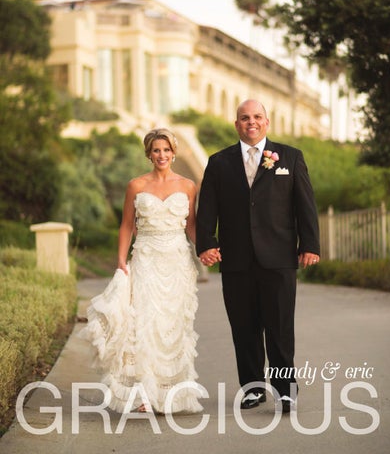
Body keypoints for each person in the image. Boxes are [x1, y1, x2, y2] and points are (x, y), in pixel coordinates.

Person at [196, 99, 320, 413]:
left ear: (266, 122)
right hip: (236, 259)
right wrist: (206, 243)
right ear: (236, 124)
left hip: (279, 257)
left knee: (280, 327)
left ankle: (285, 391)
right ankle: (252, 389)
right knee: (244, 327)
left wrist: (310, 244)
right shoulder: (218, 162)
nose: (251, 122)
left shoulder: (290, 157)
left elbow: (304, 204)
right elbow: (207, 207)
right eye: (244, 117)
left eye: (256, 116)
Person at [81, 128, 202, 414]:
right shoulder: (136, 185)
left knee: (173, 325)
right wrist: (121, 261)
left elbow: (191, 226)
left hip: (177, 262)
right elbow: (126, 225)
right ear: (149, 154)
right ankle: (145, 395)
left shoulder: (188, 186)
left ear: (173, 153)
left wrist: (207, 250)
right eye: (156, 150)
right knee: (145, 323)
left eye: (166, 150)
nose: (162, 155)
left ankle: (171, 394)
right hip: (146, 260)